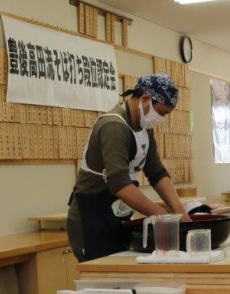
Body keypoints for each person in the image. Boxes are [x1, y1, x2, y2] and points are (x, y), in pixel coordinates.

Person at [67, 74, 190, 262]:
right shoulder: (113, 126)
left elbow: (156, 172)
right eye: (162, 113)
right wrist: (163, 217)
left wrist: (179, 209)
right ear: (145, 99)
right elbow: (120, 185)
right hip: (91, 218)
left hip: (117, 216)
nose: (161, 119)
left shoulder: (144, 128)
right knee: (103, 284)